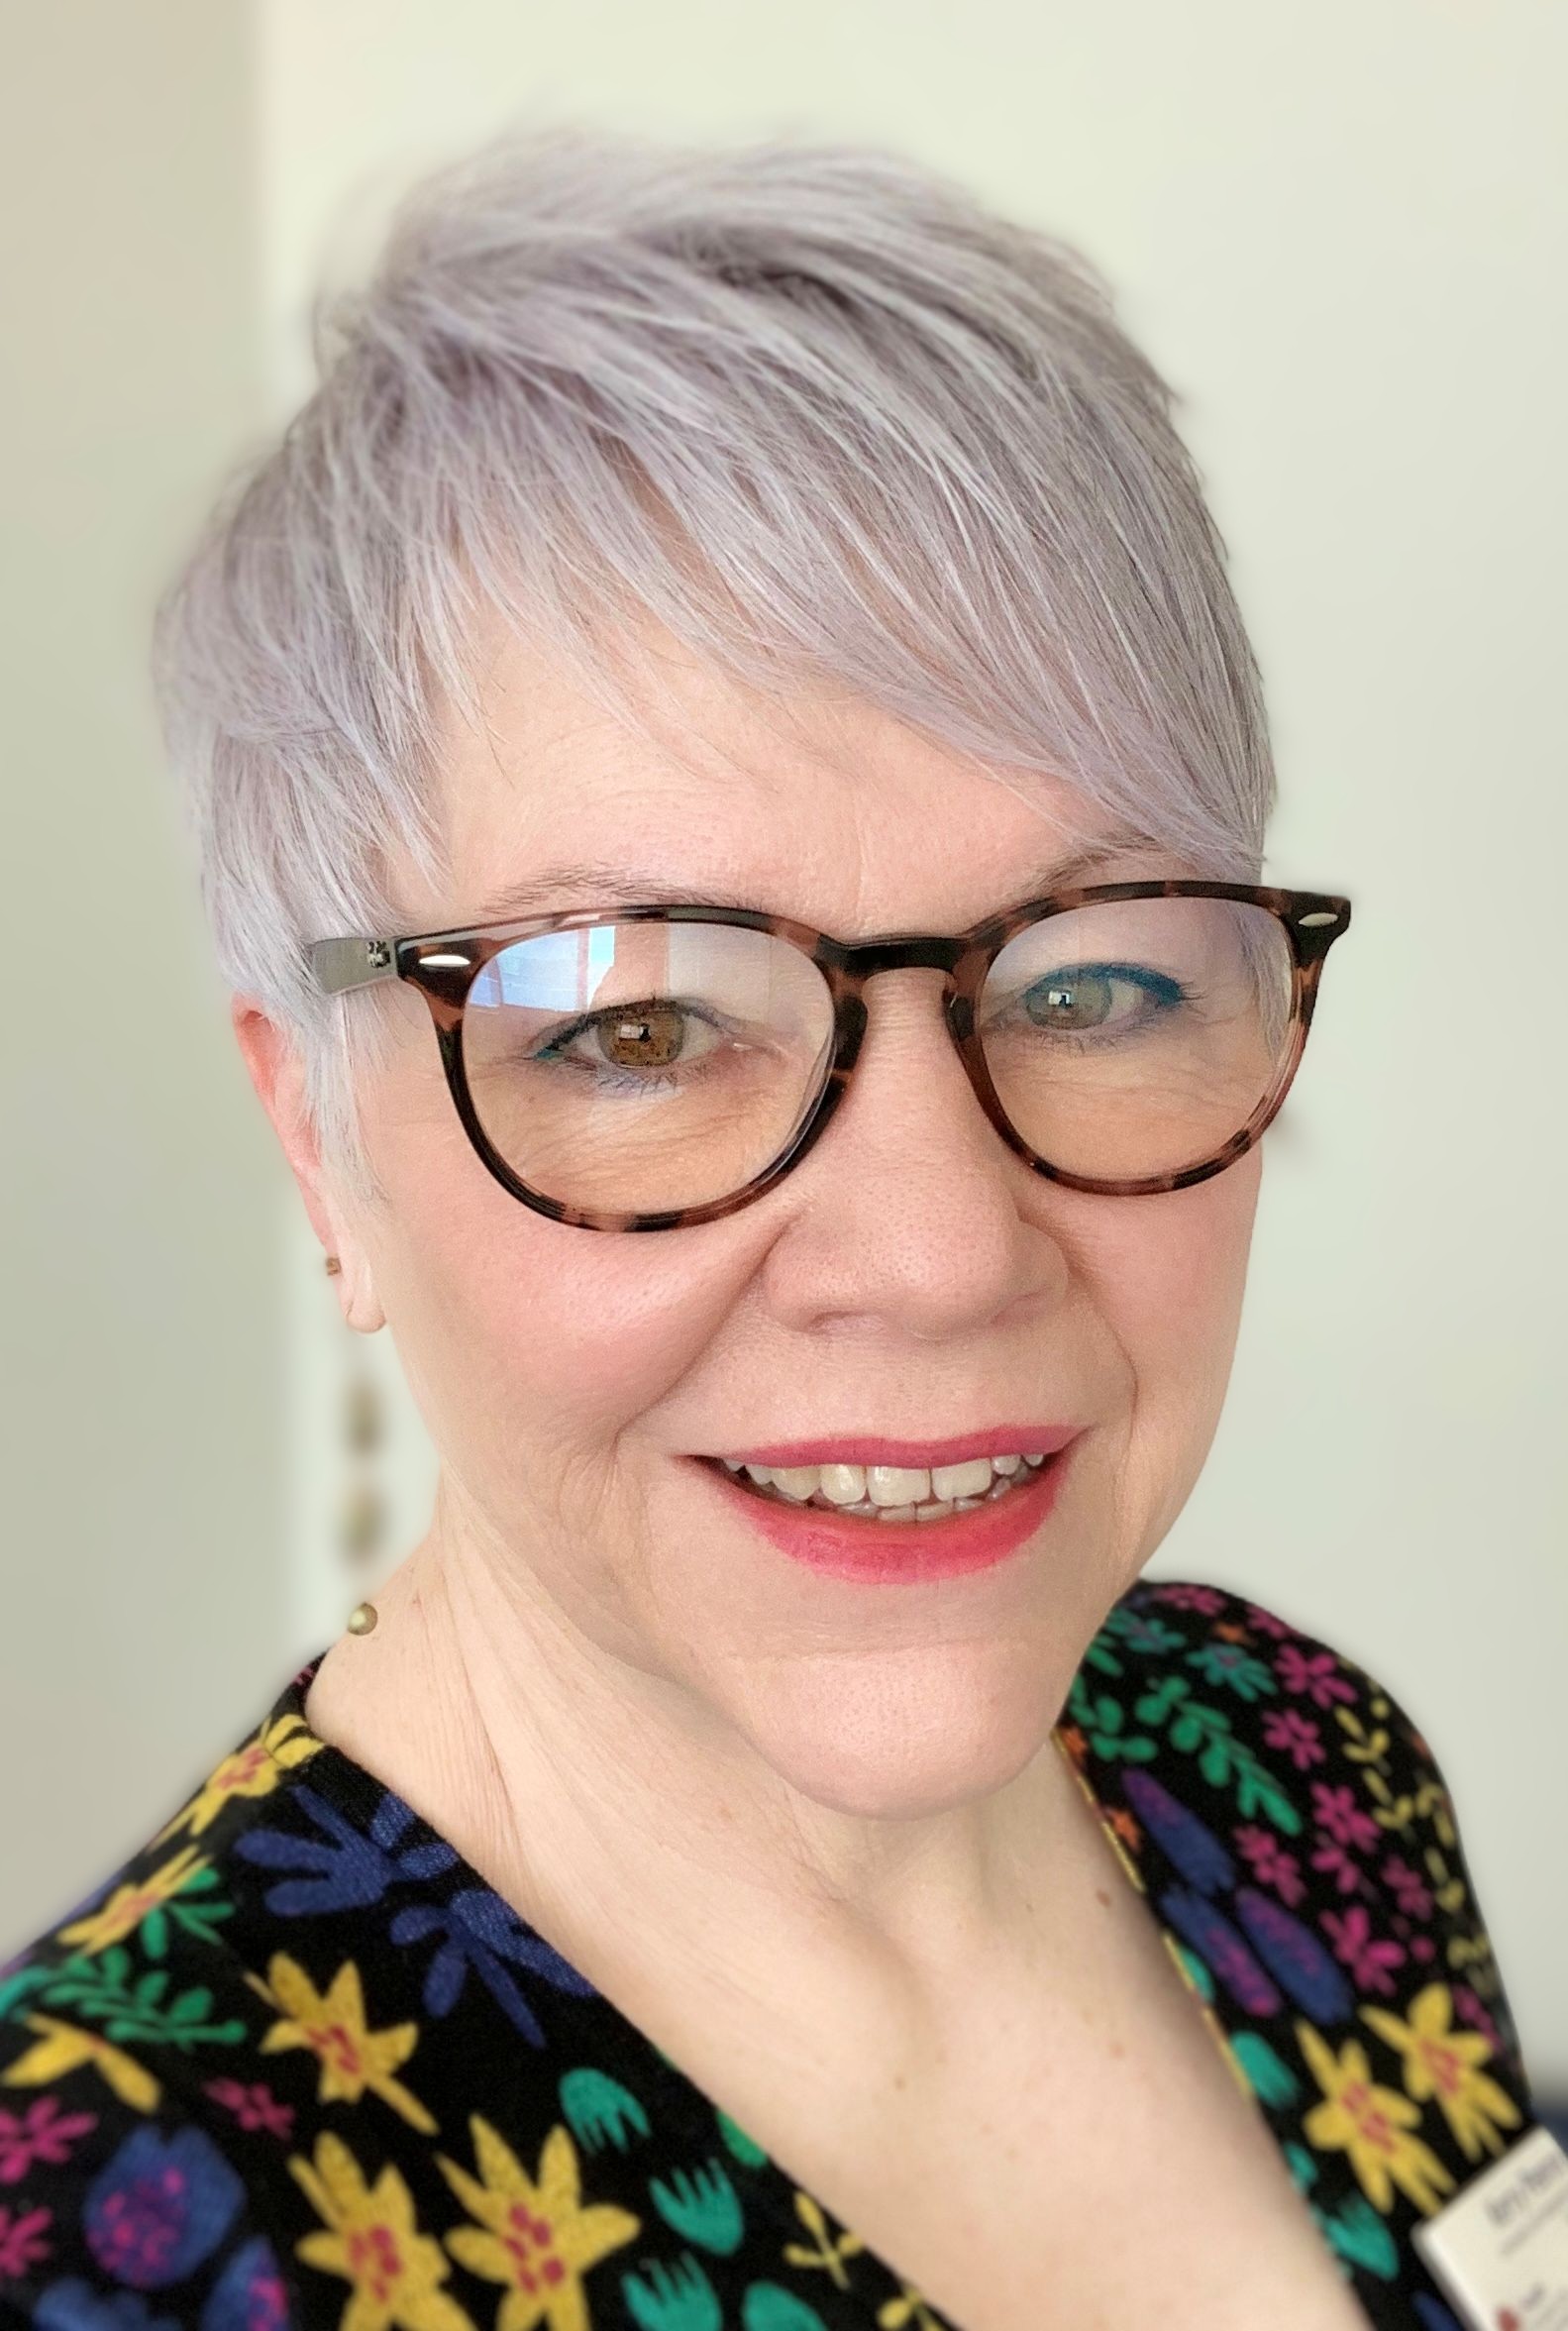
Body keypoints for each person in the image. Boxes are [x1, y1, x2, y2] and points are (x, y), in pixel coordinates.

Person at [0, 122, 1536, 2331]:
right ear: (323, 1146)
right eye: (637, 1031)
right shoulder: (120, 2235)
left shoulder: (1296, 1770)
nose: (939, 1253)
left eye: (1095, 983)